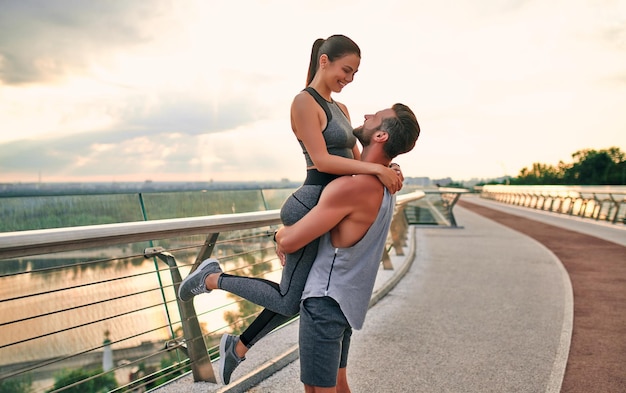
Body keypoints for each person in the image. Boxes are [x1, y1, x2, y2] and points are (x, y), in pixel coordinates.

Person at [178, 34, 403, 385]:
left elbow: (355, 162)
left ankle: (238, 347)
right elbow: (322, 159)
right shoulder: (304, 102)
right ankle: (212, 278)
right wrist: (376, 170)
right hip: (311, 200)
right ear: (324, 61)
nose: (350, 78)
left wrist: (386, 170)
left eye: (356, 73)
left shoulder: (341, 109)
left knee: (300, 294)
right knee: (289, 300)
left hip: (333, 204)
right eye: (347, 69)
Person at [275, 103, 420, 392]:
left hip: (324, 301)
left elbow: (290, 241)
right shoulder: (385, 181)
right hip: (345, 302)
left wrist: (279, 233)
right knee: (339, 384)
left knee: (318, 390)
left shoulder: (354, 187)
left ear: (380, 136)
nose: (366, 116)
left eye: (375, 117)